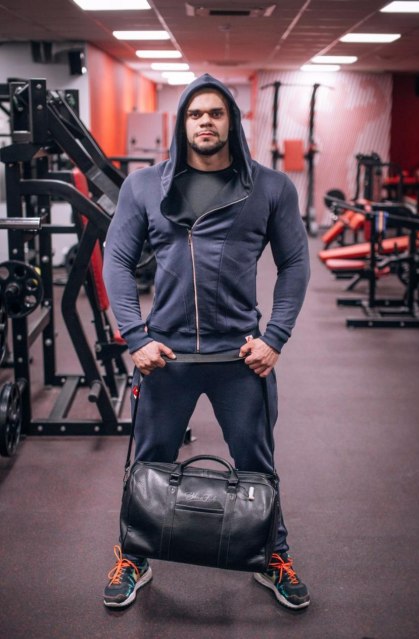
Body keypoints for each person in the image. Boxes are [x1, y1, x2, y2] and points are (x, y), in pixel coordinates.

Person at [102, 73, 310, 610]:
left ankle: (273, 556)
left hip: (240, 356)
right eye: (196, 114)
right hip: (165, 355)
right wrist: (135, 336)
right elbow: (117, 261)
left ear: (231, 122)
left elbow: (294, 263)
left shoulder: (270, 187)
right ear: (183, 122)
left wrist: (276, 337)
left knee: (256, 465)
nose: (205, 122)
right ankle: (134, 556)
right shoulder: (144, 186)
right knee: (149, 464)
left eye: (216, 113)